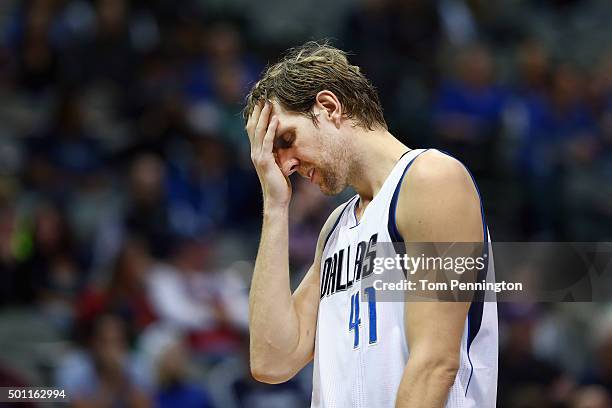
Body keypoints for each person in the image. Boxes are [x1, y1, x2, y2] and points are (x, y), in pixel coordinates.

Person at [243, 41, 497, 408]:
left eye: (286, 140)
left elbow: (434, 364)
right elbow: (271, 360)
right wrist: (275, 205)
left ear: (328, 107)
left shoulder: (432, 179)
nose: (285, 165)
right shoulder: (336, 228)